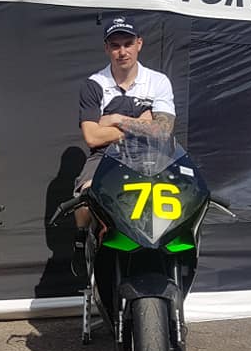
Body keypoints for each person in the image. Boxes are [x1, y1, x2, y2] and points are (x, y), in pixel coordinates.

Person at [72, 15, 175, 275]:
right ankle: (81, 242)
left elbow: (163, 132)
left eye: (128, 44)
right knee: (85, 198)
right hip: (106, 156)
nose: (122, 51)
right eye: (115, 45)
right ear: (106, 48)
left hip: (151, 156)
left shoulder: (158, 81)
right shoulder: (94, 84)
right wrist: (141, 125)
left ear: (139, 43)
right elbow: (92, 137)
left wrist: (116, 120)